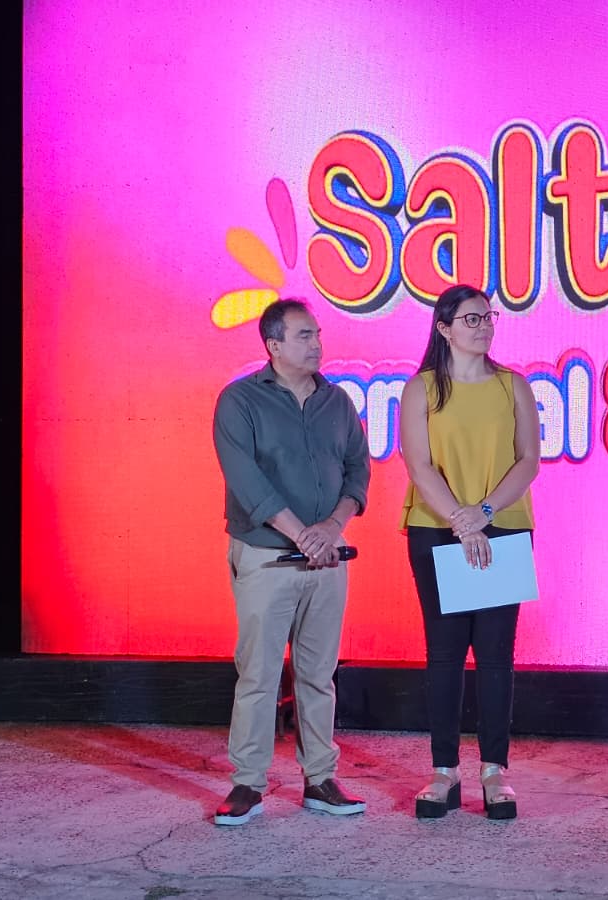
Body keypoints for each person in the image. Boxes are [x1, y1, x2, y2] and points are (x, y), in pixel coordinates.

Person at [210, 298, 371, 825]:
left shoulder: (337, 402)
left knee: (319, 674)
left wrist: (331, 529)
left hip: (326, 559)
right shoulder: (240, 401)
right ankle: (247, 783)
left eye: (318, 334)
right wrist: (302, 534)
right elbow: (247, 481)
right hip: (267, 556)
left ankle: (320, 778)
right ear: (273, 344)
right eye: (305, 335)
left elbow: (357, 470)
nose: (317, 343)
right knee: (258, 673)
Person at [398, 284, 541, 820]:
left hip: (501, 526)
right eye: (471, 319)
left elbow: (528, 461)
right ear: (444, 328)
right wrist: (461, 522)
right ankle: (444, 772)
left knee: (496, 654)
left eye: (488, 317)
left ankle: (494, 771)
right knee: (445, 652)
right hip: (436, 527)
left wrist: (482, 514)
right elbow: (420, 465)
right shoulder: (422, 389)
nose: (483, 326)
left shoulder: (512, 386)